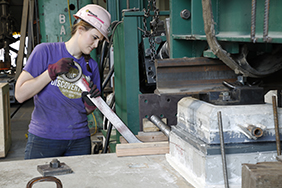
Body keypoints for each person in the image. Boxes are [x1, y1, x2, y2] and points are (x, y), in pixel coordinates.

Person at [15, 4, 111, 159]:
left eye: (99, 41)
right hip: (44, 139)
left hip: (79, 140)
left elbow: (87, 110)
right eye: (94, 38)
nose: (96, 45)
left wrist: (90, 103)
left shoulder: (90, 66)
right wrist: (50, 72)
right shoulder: (44, 52)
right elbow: (20, 95)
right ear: (80, 29)